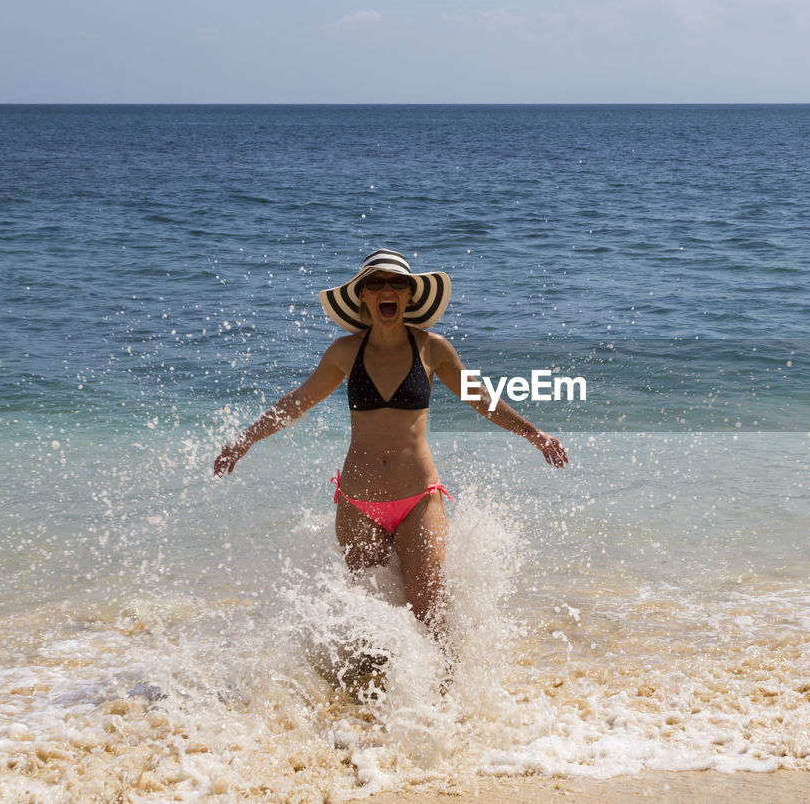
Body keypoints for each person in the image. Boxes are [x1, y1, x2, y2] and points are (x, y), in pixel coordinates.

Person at [214, 248, 568, 635]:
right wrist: (245, 440)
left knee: (430, 612)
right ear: (363, 295)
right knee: (369, 623)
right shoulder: (344, 352)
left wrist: (535, 434)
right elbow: (297, 402)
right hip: (358, 505)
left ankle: (449, 695)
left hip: (417, 499)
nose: (388, 290)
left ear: (409, 294)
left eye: (397, 283)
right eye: (376, 283)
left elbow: (480, 398)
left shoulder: (433, 349)